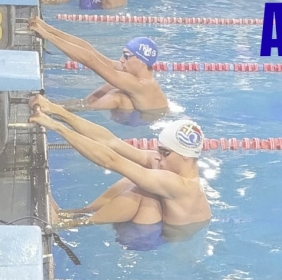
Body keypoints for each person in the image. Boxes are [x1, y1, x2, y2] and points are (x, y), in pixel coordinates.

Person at [29, 97, 210, 250]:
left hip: (146, 238)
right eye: (159, 150)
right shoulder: (164, 165)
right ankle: (73, 214)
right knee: (136, 177)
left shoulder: (182, 185)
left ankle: (68, 224)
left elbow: (111, 161)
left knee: (143, 190)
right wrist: (57, 111)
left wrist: (57, 127)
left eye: (165, 152)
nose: (158, 156)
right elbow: (111, 141)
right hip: (148, 224)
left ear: (186, 156)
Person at [30, 18, 167, 121]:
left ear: (141, 61)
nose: (121, 60)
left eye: (126, 56)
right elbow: (90, 51)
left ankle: (55, 109)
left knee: (119, 97)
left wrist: (48, 37)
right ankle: (70, 105)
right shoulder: (135, 72)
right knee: (113, 86)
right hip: (137, 111)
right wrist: (47, 29)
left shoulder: (140, 84)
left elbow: (90, 60)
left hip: (140, 120)